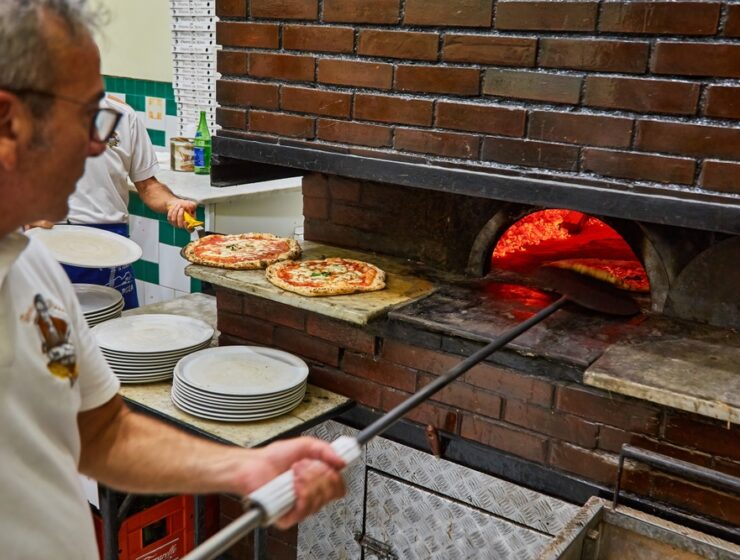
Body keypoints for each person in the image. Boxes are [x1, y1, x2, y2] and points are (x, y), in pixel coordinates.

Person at [0, 2, 345, 559]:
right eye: (89, 117)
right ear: (8, 119)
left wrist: (245, 467)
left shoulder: (37, 268)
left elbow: (103, 432)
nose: (98, 143)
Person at [30, 94, 198, 309]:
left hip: (109, 247)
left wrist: (172, 203)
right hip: (45, 245)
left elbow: (148, 186)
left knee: (116, 333)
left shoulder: (122, 116)